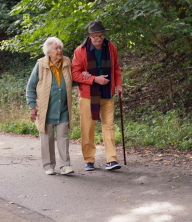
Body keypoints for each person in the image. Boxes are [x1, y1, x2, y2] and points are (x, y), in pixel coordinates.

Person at [72, 21, 123, 171]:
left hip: (107, 92)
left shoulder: (111, 47)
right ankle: (89, 160)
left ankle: (111, 160)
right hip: (88, 94)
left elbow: (116, 67)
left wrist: (118, 85)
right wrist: (94, 79)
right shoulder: (80, 51)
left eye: (100, 36)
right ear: (89, 36)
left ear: (104, 35)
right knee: (88, 127)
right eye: (94, 36)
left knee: (109, 126)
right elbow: (75, 74)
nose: (98, 39)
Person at [26, 37, 75, 175]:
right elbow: (30, 86)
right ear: (48, 52)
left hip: (63, 107)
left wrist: (83, 75)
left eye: (60, 48)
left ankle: (66, 165)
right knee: (46, 138)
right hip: (45, 108)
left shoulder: (66, 61)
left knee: (63, 137)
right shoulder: (40, 64)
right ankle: (48, 166)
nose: (59, 51)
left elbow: (73, 79)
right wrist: (32, 106)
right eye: (56, 48)